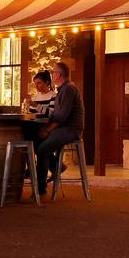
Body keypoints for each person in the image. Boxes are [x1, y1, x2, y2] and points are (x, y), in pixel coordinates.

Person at [35, 62, 84, 195]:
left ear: (59, 75)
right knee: (37, 140)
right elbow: (57, 116)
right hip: (63, 127)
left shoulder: (68, 89)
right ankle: (57, 166)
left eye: (53, 72)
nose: (51, 75)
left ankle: (40, 189)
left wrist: (48, 130)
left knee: (43, 149)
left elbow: (61, 117)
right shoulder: (62, 90)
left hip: (71, 129)